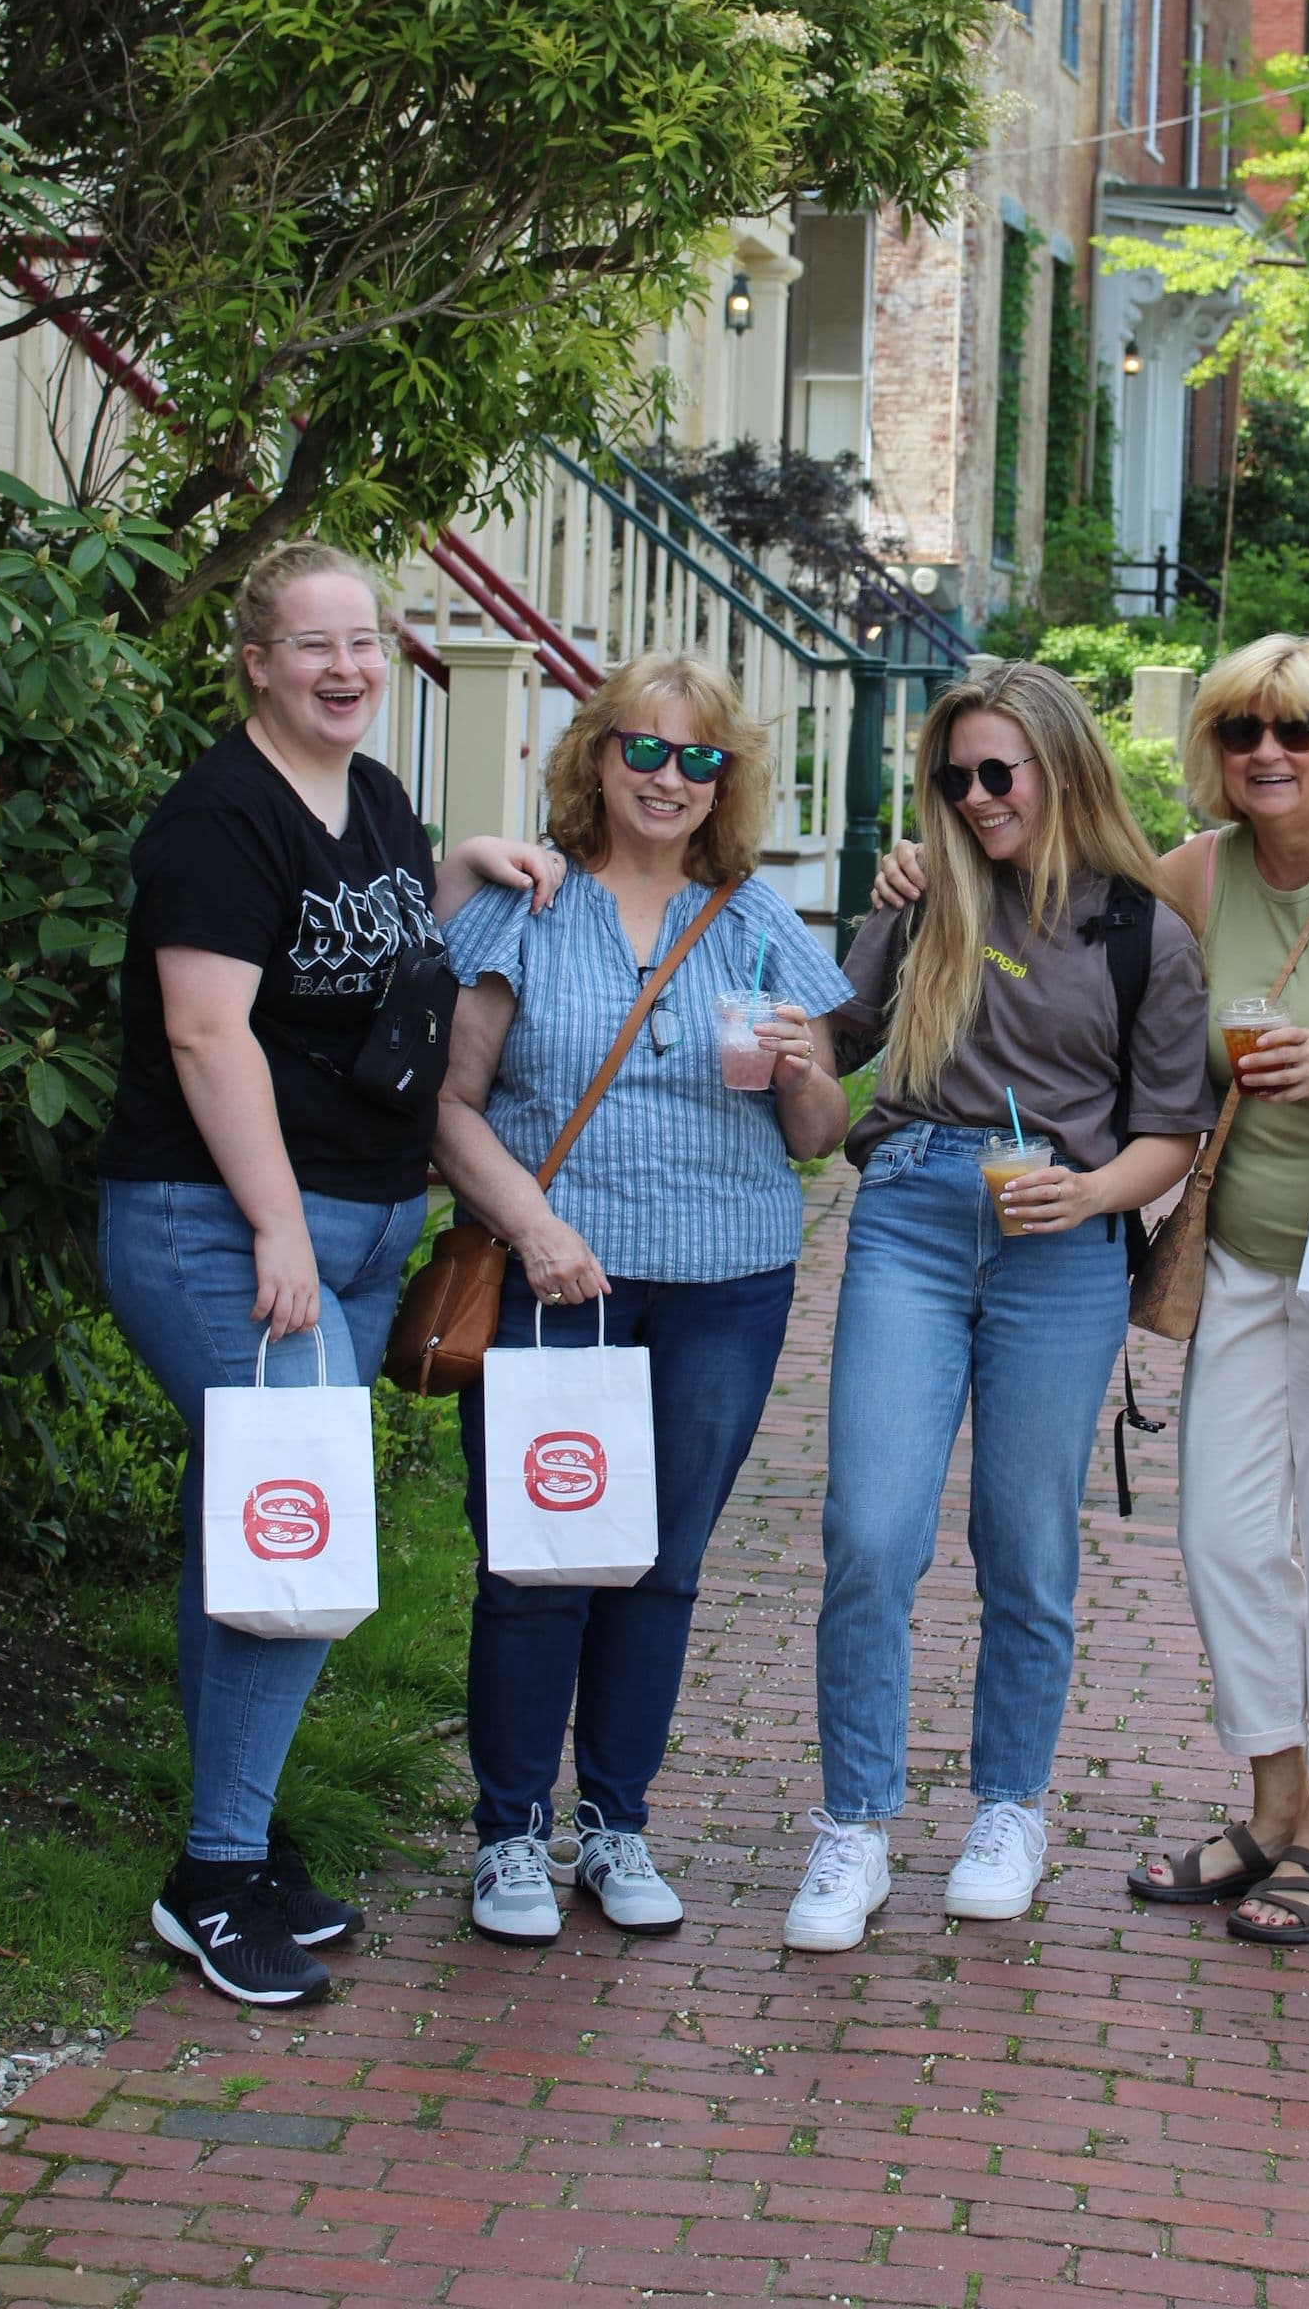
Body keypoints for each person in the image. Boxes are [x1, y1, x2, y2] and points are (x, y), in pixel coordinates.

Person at [871, 631, 1309, 1946]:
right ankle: (1271, 1803)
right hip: (1244, 1261)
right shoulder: (1194, 879)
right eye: (1239, 732)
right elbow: (1055, 905)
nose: (1267, 754)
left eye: (1297, 732)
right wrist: (926, 870)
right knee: (1219, 1538)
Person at [98, 539, 562, 2009]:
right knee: (291, 1533)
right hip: (225, 1226)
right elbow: (205, 1032)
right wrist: (278, 1224)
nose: (349, 669)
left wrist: (455, 868)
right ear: (254, 660)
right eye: (315, 647)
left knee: (252, 1532)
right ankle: (213, 1880)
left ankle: (240, 1833)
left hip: (356, 1225)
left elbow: (343, 936)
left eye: (367, 641)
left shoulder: (364, 795)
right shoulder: (215, 818)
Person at [782, 662, 1211, 1953]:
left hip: (1057, 1246)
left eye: (996, 774)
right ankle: (854, 1821)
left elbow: (1171, 1137)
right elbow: (836, 1037)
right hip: (912, 1210)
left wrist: (1084, 1200)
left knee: (1026, 1544)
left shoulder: (1143, 933)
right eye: (951, 778)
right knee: (871, 1528)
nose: (972, 800)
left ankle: (1008, 1806)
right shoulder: (923, 907)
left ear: (1061, 770)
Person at [432, 650, 852, 1944]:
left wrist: (795, 1067)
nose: (669, 778)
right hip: (562, 1280)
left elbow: (823, 1134)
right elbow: (447, 1107)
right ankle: (511, 1834)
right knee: (538, 1562)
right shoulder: (528, 905)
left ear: (724, 781)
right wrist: (535, 1225)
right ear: (597, 755)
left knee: (661, 1566)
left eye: (699, 758)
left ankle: (618, 1823)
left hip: (727, 1282)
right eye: (645, 750)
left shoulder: (760, 917)